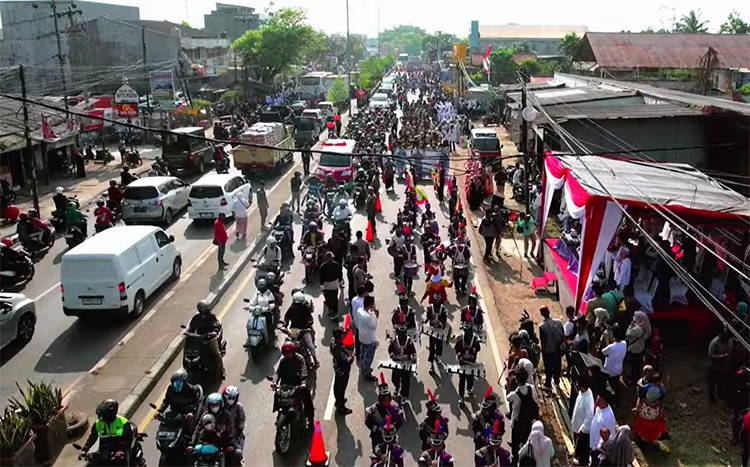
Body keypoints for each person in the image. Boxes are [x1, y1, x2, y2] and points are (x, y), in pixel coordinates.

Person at [274, 341, 315, 428]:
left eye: (289, 353)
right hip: (286, 386)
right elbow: (277, 373)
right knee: (277, 395)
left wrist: (303, 382)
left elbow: (303, 370)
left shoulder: (300, 359)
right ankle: (279, 413)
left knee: (307, 399)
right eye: (285, 353)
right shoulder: (283, 361)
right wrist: (274, 382)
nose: (287, 355)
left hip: (298, 385)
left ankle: (310, 419)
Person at [365, 374, 405, 451]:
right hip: (377, 437)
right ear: (380, 399)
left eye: (389, 399)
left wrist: (393, 429)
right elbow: (368, 422)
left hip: (390, 437)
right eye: (385, 400)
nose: (388, 402)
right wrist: (378, 429)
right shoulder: (373, 409)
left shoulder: (394, 410)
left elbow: (399, 421)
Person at [507, 367, 539, 463]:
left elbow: (508, 398)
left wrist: (509, 384)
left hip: (518, 422)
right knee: (526, 441)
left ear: (516, 379)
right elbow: (536, 400)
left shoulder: (514, 394)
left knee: (515, 443)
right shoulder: (532, 388)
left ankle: (515, 458)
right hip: (529, 421)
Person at [188, 300, 225, 380]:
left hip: (209, 338)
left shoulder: (211, 317)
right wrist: (188, 332)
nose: (207, 310)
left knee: (217, 354)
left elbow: (215, 325)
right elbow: (192, 327)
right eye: (205, 309)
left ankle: (222, 370)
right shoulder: (196, 318)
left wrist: (214, 332)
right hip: (199, 338)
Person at [284, 291, 318, 367]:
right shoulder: (292, 308)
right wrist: (284, 326)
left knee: (310, 345)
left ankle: (315, 360)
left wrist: (309, 326)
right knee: (287, 345)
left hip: (304, 329)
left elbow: (310, 312)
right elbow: (286, 317)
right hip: (294, 330)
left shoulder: (305, 307)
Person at [388, 314, 416, 404]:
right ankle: (396, 387)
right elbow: (390, 350)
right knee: (395, 378)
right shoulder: (393, 341)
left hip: (406, 362)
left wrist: (413, 358)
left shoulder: (410, 342)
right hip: (397, 361)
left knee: (405, 381)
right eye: (400, 333)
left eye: (403, 333)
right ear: (398, 333)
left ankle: (403, 397)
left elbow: (413, 353)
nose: (402, 335)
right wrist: (392, 354)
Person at [633, 373, 667, 447]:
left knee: (643, 424)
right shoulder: (662, 390)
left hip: (644, 411)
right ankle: (651, 439)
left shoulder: (648, 386)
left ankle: (644, 438)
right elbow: (661, 401)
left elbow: (641, 389)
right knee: (652, 427)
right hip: (653, 413)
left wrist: (639, 383)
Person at [539, 306, 565, 389]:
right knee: (557, 366)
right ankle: (557, 382)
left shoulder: (542, 327)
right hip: (558, 349)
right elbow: (563, 335)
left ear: (541, 314)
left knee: (548, 368)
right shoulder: (558, 322)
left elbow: (543, 342)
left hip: (548, 351)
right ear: (549, 312)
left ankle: (548, 384)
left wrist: (543, 353)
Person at [455, 321, 481, 402]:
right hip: (462, 362)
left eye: (468, 331)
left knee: (470, 376)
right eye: (465, 331)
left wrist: (474, 351)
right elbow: (457, 348)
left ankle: (469, 388)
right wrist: (460, 356)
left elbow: (478, 348)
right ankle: (461, 396)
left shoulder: (475, 339)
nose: (466, 332)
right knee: (461, 379)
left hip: (471, 361)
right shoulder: (460, 338)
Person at [571, 377, 595, 466]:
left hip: (583, 428)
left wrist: (583, 428)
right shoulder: (582, 393)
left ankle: (582, 462)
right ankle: (576, 454)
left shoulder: (588, 399)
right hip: (577, 422)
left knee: (582, 446)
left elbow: (589, 416)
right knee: (577, 442)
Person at [355, 296, 379, 381]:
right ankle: (367, 372)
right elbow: (373, 326)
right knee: (369, 357)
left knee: (362, 353)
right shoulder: (368, 316)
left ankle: (363, 368)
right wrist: (375, 316)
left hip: (362, 337)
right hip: (369, 339)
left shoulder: (359, 311)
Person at [330, 328, 353, 415]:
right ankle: (341, 407)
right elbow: (346, 361)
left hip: (337, 367)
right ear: (339, 337)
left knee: (337, 385)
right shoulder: (338, 348)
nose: (344, 335)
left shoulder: (333, 341)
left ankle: (338, 401)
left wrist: (346, 331)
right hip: (342, 370)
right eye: (342, 334)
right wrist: (351, 357)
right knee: (341, 388)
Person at [708, 327, 734, 403]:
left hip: (724, 365)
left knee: (721, 381)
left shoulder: (729, 340)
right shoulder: (714, 343)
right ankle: (712, 397)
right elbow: (711, 355)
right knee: (712, 382)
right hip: (714, 365)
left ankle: (720, 393)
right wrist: (721, 356)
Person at [601, 325, 626, 401]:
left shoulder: (611, 347)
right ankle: (617, 400)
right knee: (616, 385)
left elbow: (603, 352)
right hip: (618, 370)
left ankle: (610, 400)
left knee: (609, 387)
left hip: (609, 370)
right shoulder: (624, 344)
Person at [589, 393, 616, 462]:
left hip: (599, 448)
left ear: (605, 402)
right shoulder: (599, 408)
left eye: (599, 400)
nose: (597, 402)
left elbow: (611, 434)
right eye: (597, 399)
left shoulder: (608, 416)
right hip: (593, 443)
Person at [626, 311, 651, 384]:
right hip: (640, 348)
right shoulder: (643, 326)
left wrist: (630, 326)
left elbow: (628, 334)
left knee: (634, 365)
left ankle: (633, 379)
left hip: (635, 349)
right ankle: (636, 377)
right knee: (637, 365)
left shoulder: (638, 329)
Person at [222, 385, 246, 461]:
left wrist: (236, 432)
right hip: (221, 434)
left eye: (233, 398)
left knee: (238, 454)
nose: (231, 400)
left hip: (235, 435)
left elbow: (242, 420)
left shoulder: (239, 407)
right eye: (229, 397)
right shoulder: (220, 406)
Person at [426, 300, 448, 374]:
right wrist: (426, 322)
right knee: (432, 347)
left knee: (439, 346)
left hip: (439, 331)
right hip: (432, 331)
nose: (437, 305)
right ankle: (431, 365)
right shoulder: (430, 308)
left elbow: (444, 322)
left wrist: (440, 323)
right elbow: (427, 318)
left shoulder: (444, 310)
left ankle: (437, 357)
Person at [319, 251, 343, 317]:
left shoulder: (335, 265)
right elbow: (321, 277)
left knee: (333, 298)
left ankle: (334, 310)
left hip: (333, 284)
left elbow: (340, 274)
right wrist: (322, 286)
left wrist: (340, 282)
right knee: (330, 298)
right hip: (328, 285)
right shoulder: (323, 267)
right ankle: (332, 309)